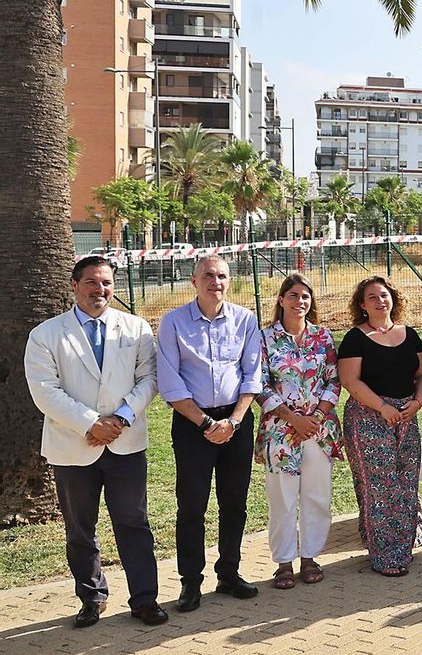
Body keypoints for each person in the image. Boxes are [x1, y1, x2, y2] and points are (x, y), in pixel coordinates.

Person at [25, 255, 166, 627]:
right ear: (74, 285)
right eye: (91, 282)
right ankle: (91, 598)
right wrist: (90, 424)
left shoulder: (136, 328)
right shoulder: (46, 334)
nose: (99, 289)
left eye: (106, 283)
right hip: (73, 447)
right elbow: (44, 391)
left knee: (134, 523)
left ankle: (145, 599)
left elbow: (150, 378)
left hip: (125, 443)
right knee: (80, 530)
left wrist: (120, 418)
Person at [158, 254, 264, 612]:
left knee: (234, 502)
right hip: (193, 425)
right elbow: (170, 382)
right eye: (207, 275)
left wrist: (233, 421)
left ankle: (229, 573)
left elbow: (252, 375)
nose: (215, 282)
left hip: (236, 421)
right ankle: (190, 582)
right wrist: (205, 423)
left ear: (229, 281)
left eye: (221, 276)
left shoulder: (245, 320)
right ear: (193, 280)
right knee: (192, 505)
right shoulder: (173, 323)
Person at [338, 276, 422, 577]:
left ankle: (404, 545)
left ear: (393, 299)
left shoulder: (410, 335)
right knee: (379, 487)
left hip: (406, 417)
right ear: (362, 305)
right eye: (372, 297)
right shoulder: (355, 338)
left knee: (406, 482)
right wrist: (382, 407)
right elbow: (350, 380)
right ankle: (384, 555)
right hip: (368, 418)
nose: (380, 301)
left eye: (384, 295)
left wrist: (417, 402)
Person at [257, 273, 342, 589]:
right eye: (293, 295)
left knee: (317, 496)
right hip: (281, 432)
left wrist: (316, 416)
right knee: (282, 498)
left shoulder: (323, 337)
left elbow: (334, 380)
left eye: (305, 296)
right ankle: (283, 562)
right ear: (281, 300)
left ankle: (310, 557)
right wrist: (293, 419)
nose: (299, 301)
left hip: (319, 431)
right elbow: (259, 384)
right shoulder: (265, 338)